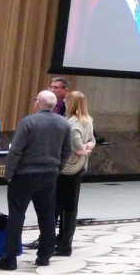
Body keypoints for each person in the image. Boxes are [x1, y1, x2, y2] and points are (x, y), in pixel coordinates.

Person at [0, 91, 72, 270]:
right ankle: (44, 255)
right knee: (47, 216)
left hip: (24, 175)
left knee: (17, 215)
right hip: (49, 175)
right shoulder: (63, 123)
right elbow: (67, 150)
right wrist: (57, 168)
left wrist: (8, 173)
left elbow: (16, 150)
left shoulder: (29, 121)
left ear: (38, 103)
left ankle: (9, 258)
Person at [54, 91, 95, 256]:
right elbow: (92, 141)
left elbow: (77, 148)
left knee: (61, 205)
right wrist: (88, 148)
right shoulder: (88, 121)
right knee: (70, 205)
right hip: (79, 167)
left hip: (66, 169)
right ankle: (64, 239)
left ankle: (64, 244)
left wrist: (82, 149)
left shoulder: (71, 123)